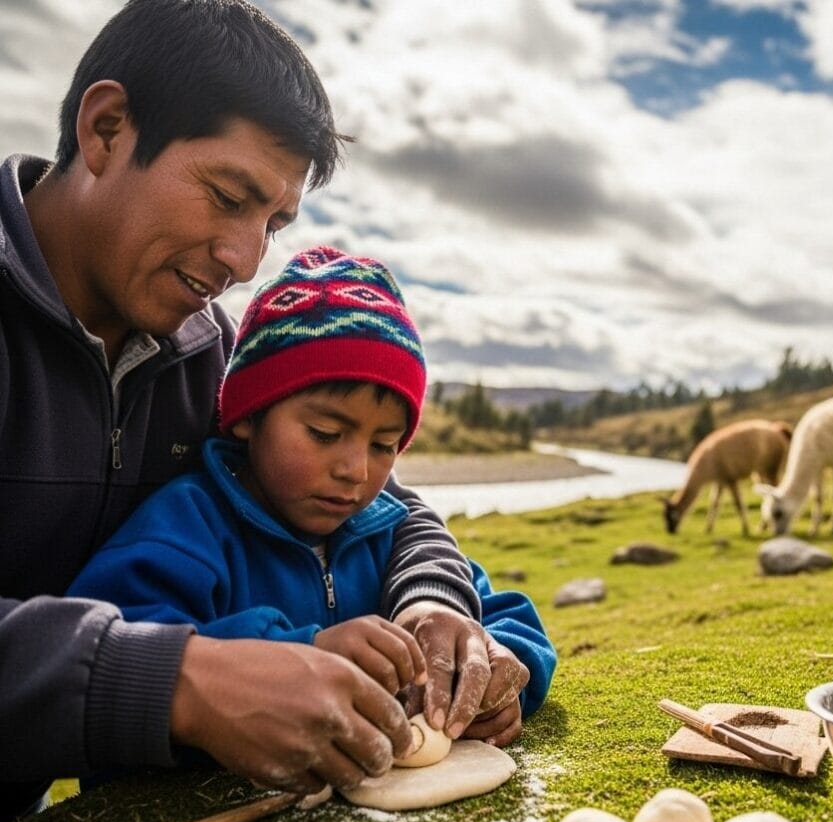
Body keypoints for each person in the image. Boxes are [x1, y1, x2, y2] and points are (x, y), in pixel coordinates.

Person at [0, 0, 518, 822]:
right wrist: (180, 679)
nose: (244, 261)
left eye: (273, 223)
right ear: (106, 130)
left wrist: (434, 599)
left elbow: (385, 506)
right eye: (227, 196)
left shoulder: (205, 352)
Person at [69, 247, 555, 764]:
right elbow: (117, 654)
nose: (356, 470)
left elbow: (505, 618)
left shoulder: (384, 531)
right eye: (326, 433)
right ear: (248, 416)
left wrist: (491, 676)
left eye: (384, 444)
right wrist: (305, 650)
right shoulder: (185, 528)